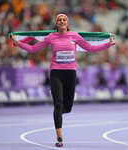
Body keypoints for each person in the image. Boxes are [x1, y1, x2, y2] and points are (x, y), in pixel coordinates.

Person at [10, 13, 115, 147]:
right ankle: (59, 137)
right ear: (56, 23)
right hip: (56, 73)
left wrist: (107, 45)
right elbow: (32, 49)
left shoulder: (75, 36)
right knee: (58, 103)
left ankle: (58, 113)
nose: (62, 21)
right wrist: (17, 43)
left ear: (67, 23)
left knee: (68, 107)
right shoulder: (51, 37)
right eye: (59, 19)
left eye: (64, 19)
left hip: (70, 74)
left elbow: (90, 48)